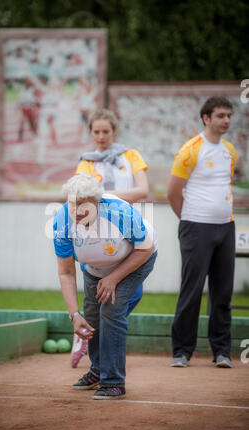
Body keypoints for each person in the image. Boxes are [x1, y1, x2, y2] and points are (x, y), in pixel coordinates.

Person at [53, 174, 158, 400]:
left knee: (111, 309)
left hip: (134, 260)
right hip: (94, 268)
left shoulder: (119, 213)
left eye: (84, 205)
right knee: (92, 315)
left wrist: (113, 279)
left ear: (97, 202)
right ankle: (98, 370)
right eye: (73, 203)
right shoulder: (62, 221)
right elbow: (66, 272)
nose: (77, 211)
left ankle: (114, 382)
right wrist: (74, 315)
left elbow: (146, 249)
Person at [71, 108, 150, 368]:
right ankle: (94, 343)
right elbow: (83, 198)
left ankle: (100, 334)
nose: (101, 136)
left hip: (128, 232)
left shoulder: (130, 156)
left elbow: (143, 190)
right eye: (97, 132)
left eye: (106, 131)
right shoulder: (86, 162)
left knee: (132, 293)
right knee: (98, 298)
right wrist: (102, 200)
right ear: (91, 132)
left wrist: (107, 197)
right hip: (95, 235)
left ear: (114, 131)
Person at [167, 96, 237, 368]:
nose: (226, 120)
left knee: (223, 292)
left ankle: (221, 351)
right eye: (220, 115)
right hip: (196, 227)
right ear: (206, 118)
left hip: (226, 228)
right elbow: (173, 193)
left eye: (229, 115)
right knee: (192, 290)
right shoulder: (191, 149)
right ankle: (181, 351)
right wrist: (189, 220)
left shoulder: (230, 150)